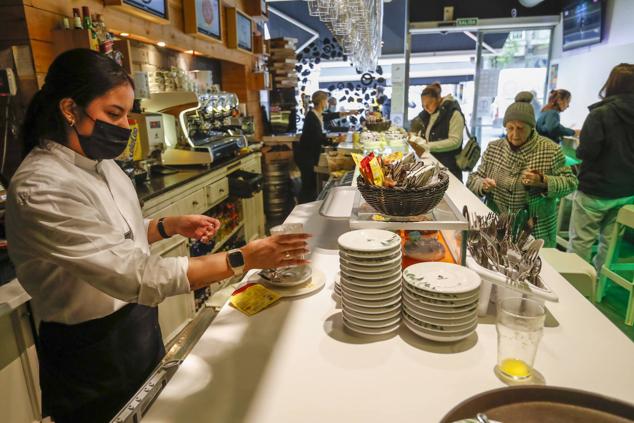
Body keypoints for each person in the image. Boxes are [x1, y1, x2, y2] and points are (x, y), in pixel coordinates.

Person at [5, 49, 310, 423]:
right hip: (89, 351)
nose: (125, 127)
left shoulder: (104, 167)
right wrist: (242, 258)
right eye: (113, 114)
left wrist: (167, 225)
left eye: (127, 115)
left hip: (139, 328)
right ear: (70, 109)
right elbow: (133, 273)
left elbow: (117, 236)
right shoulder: (42, 186)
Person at [467, 92, 578, 247]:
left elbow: (571, 183)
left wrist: (544, 181)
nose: (514, 134)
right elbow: (473, 178)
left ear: (532, 127)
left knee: (534, 268)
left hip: (535, 229)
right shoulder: (494, 148)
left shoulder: (550, 150)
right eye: (510, 128)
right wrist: (482, 185)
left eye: (520, 128)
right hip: (498, 225)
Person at [568, 63, 634, 271]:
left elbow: (586, 152)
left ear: (611, 84)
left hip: (595, 190)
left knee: (581, 243)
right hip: (626, 191)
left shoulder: (600, 114)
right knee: (609, 244)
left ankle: (576, 290)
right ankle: (600, 289)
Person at [294, 90, 343, 203]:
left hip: (310, 155)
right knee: (308, 186)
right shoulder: (311, 117)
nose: (327, 103)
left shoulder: (318, 114)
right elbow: (318, 138)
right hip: (306, 156)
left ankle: (308, 209)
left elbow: (330, 116)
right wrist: (335, 141)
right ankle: (302, 211)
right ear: (321, 102)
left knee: (311, 185)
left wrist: (349, 113)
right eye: (326, 100)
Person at [410, 83, 465, 181]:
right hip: (434, 164)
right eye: (423, 106)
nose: (426, 108)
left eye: (429, 104)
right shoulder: (429, 113)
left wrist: (427, 146)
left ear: (438, 99)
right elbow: (417, 125)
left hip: (450, 168)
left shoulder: (453, 113)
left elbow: (455, 142)